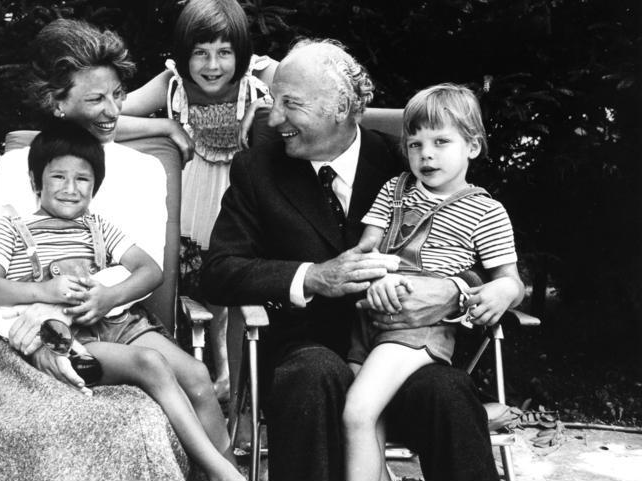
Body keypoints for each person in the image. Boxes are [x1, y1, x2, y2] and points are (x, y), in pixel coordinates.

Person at [0, 19, 225, 481]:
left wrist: (77, 300)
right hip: (28, 325)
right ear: (58, 103)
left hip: (112, 315)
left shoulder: (144, 170)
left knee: (195, 379)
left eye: (118, 95)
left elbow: (142, 264)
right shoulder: (17, 168)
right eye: (95, 99)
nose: (112, 111)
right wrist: (37, 311)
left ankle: (225, 473)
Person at [202, 39, 504, 481]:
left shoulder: (409, 161)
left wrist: (456, 292)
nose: (275, 117)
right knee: (313, 375)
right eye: (273, 101)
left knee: (449, 389)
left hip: (400, 346)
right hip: (304, 350)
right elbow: (218, 273)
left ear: (341, 107)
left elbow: (480, 242)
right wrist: (312, 276)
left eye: (291, 104)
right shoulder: (257, 169)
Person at [0, 121, 243, 481]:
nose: (70, 189)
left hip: (118, 323)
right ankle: (220, 471)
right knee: (150, 363)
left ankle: (235, 470)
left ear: (94, 186)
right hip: (71, 341)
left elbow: (149, 270)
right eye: (58, 177)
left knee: (196, 374)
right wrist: (44, 292)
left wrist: (109, 295)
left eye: (82, 179)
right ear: (37, 181)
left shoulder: (97, 226)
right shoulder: (12, 226)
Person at [343, 84, 524, 481]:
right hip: (369, 320)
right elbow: (366, 249)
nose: (426, 154)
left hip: (420, 329)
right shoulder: (393, 191)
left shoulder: (485, 211)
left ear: (472, 147)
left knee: (357, 411)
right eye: (414, 144)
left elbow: (511, 281)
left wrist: (503, 291)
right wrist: (378, 272)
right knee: (370, 420)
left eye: (441, 141)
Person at [118, 0, 278, 401]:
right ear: (183, 53)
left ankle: (237, 389)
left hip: (242, 199)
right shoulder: (172, 84)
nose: (212, 65)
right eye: (200, 53)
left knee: (239, 292)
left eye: (224, 52)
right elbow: (105, 117)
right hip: (188, 198)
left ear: (242, 51)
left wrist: (262, 112)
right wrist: (163, 129)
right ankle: (190, 382)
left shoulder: (263, 75)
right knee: (190, 290)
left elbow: (314, 102)